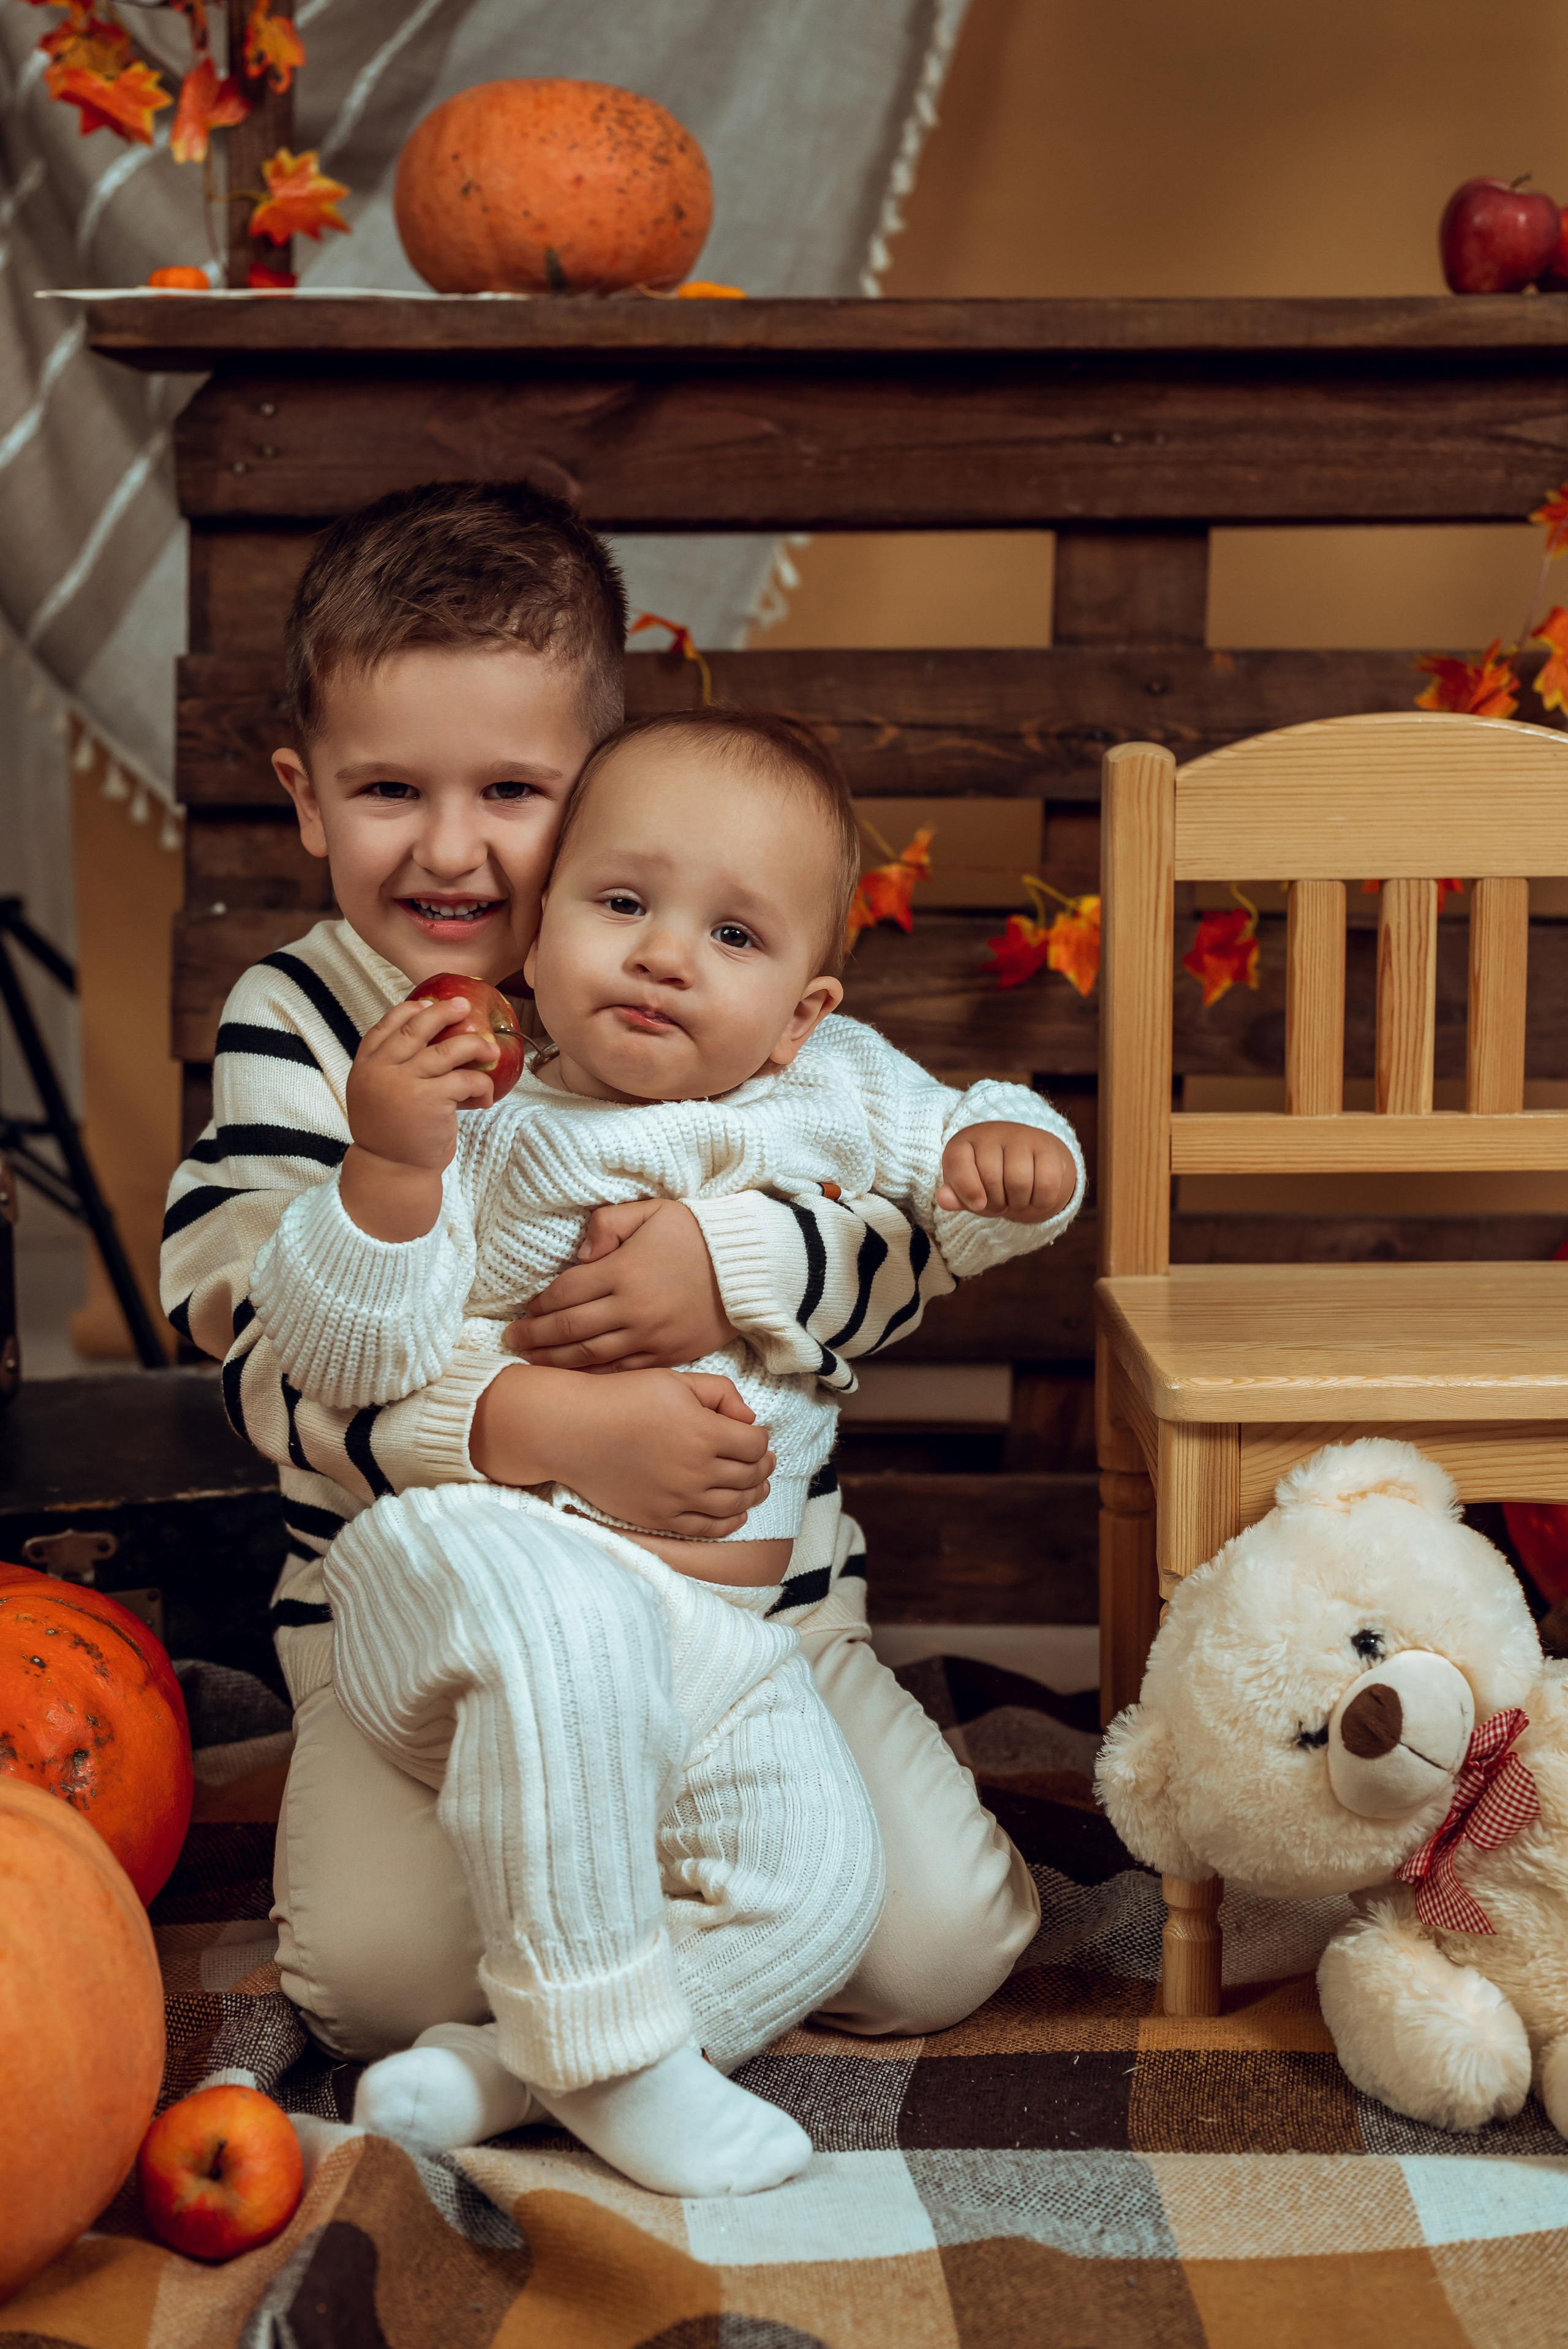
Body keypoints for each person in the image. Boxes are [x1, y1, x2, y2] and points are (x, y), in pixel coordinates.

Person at [159, 480, 1082, 2180]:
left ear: (594, 784)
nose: (452, 850)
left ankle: (566, 2009)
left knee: (938, 1951)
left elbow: (911, 1222)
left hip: (755, 1620)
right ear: (306, 797)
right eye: (389, 790)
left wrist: (729, 1263)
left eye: (512, 793)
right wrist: (536, 1425)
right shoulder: (300, 1020)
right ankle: (604, 1952)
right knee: (375, 1987)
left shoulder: (714, 968)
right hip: (438, 1633)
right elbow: (267, 1357)